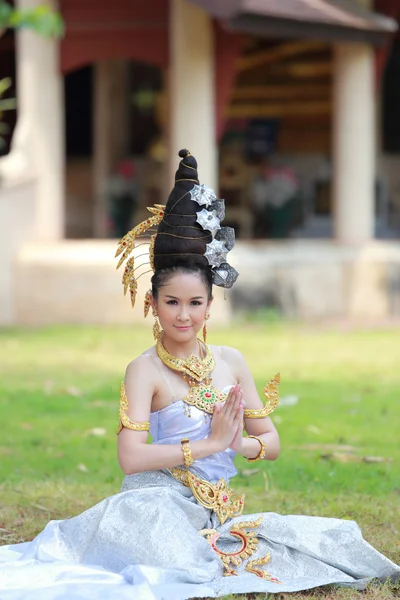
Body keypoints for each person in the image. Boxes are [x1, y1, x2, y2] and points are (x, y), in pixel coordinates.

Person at [0, 150, 398, 600]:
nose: (183, 315)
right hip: (154, 503)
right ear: (152, 303)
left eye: (194, 303)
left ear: (210, 304)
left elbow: (272, 443)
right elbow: (130, 458)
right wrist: (207, 445)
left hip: (217, 512)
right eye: (172, 302)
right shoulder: (143, 370)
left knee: (322, 540)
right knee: (177, 558)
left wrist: (237, 443)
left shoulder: (232, 361)